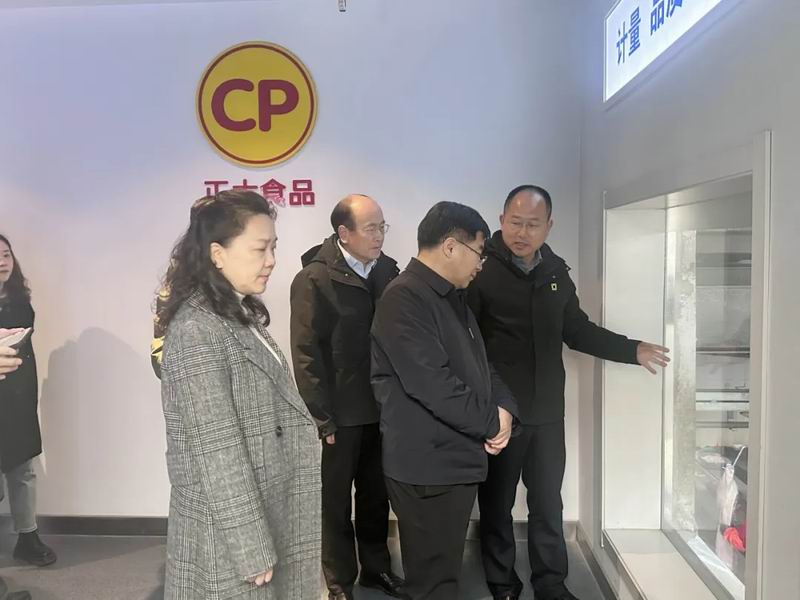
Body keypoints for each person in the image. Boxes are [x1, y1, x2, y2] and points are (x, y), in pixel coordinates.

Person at [468, 185, 670, 600]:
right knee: (496, 503)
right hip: (499, 411)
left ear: (549, 226)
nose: (522, 232)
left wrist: (631, 349)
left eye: (533, 224)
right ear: (501, 220)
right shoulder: (480, 270)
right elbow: (465, 341)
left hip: (546, 412)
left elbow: (576, 330)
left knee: (548, 503)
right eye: (515, 222)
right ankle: (502, 584)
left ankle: (551, 584)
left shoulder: (555, 273)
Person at [157, 190, 322, 599]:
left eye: (274, 247)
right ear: (218, 254)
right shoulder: (197, 330)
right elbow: (218, 450)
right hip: (231, 532)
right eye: (260, 249)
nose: (271, 260)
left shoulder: (235, 311)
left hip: (265, 505)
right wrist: (250, 546)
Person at [370, 202, 519, 600]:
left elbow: (481, 365)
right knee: (433, 584)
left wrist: (505, 410)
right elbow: (433, 385)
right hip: (428, 469)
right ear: (451, 246)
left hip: (451, 462)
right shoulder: (404, 299)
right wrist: (491, 423)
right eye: (479, 252)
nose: (481, 264)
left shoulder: (451, 296)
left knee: (443, 577)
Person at [290, 195, 405, 600]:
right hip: (339, 414)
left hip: (381, 406)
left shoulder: (388, 271)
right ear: (344, 232)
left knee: (376, 495)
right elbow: (305, 353)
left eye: (382, 227)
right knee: (335, 502)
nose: (379, 236)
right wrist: (322, 417)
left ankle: (377, 568)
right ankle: (339, 580)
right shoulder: (315, 279)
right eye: (371, 228)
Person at [0, 234, 57, 568]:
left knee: (23, 469)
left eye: (6, 254)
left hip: (19, 398)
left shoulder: (20, 302)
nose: (2, 261)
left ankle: (27, 536)